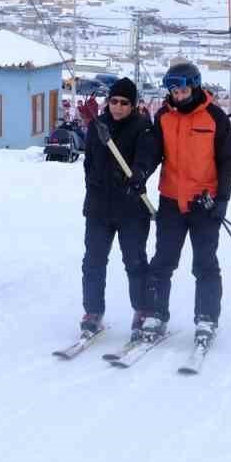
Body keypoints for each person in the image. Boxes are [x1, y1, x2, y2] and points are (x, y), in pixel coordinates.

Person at [130, 61, 231, 350]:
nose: (178, 95)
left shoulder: (215, 117)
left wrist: (223, 198)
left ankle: (206, 318)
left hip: (205, 204)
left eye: (183, 89)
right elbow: (154, 153)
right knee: (162, 262)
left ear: (196, 85)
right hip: (171, 202)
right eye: (173, 91)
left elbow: (228, 161)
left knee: (204, 264)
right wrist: (141, 173)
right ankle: (155, 314)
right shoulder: (164, 115)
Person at [76, 78, 154, 337]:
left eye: (124, 103)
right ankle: (93, 311)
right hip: (99, 208)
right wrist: (94, 185)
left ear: (133, 105)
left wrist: (138, 174)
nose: (118, 107)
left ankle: (142, 309)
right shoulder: (98, 126)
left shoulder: (143, 128)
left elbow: (148, 158)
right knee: (93, 262)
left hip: (131, 209)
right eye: (114, 102)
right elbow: (89, 163)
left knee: (134, 261)